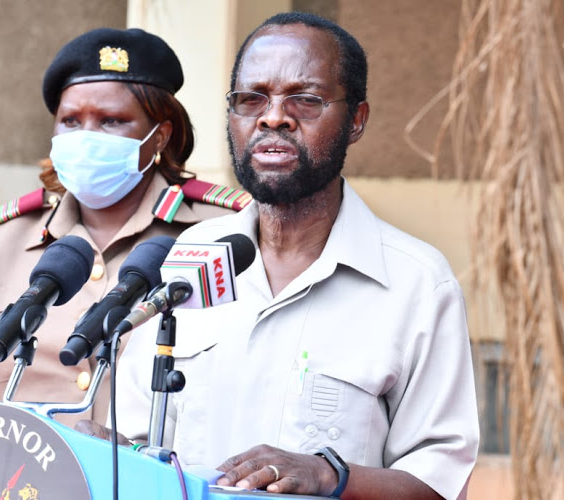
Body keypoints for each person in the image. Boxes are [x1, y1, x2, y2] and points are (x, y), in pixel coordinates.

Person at [78, 12, 479, 500]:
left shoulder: (416, 282)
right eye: (252, 98)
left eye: (305, 100)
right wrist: (104, 449)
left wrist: (329, 475)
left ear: (356, 121)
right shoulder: (191, 259)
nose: (273, 117)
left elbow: (440, 484)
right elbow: (141, 449)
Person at [0, 28, 249, 428]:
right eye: (70, 121)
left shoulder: (220, 236)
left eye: (111, 121)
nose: (86, 137)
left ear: (160, 137)